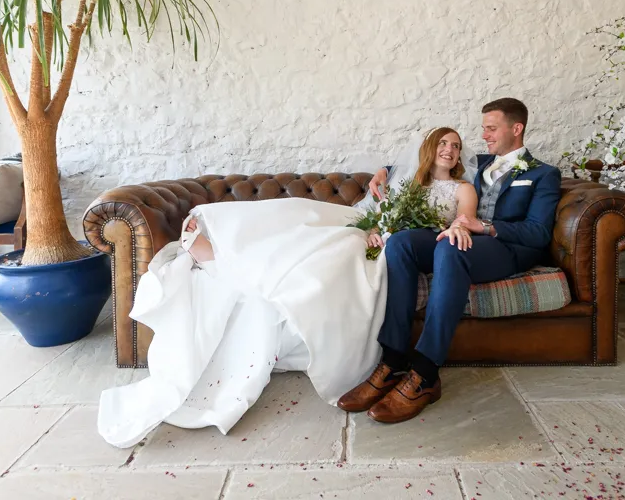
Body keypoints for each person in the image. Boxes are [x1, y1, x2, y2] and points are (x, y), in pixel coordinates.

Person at [96, 127, 477, 448]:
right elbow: (383, 198)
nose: (449, 149)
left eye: (456, 146)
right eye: (443, 143)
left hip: (404, 246)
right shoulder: (406, 179)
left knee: (335, 253)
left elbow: (463, 224)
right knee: (304, 220)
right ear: (430, 148)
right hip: (373, 227)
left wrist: (395, 233)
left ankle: (229, 262)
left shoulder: (463, 188)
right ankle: (223, 244)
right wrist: (377, 218)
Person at [337, 98, 562, 424]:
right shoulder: (482, 163)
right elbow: (431, 158)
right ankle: (393, 359)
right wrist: (385, 170)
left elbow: (539, 232)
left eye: (491, 128)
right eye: (484, 128)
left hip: (507, 248)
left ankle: (425, 373)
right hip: (468, 241)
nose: (483, 135)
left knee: (450, 247)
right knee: (401, 243)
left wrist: (484, 226)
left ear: (516, 128)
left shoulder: (543, 174)